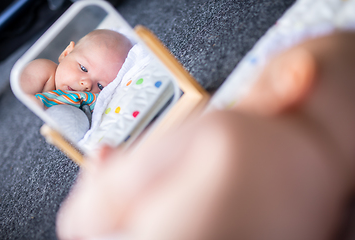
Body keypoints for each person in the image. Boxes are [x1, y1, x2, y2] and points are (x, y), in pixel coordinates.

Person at [56, 31, 355, 240]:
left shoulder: (226, 130)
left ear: (292, 78)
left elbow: (117, 195)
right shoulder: (333, 210)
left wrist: (102, 182)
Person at [20, 29, 133, 96]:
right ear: (66, 53)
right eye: (83, 68)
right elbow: (21, 94)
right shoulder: (44, 69)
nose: (87, 84)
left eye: (100, 86)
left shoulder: (83, 105)